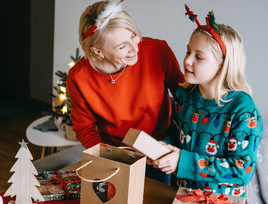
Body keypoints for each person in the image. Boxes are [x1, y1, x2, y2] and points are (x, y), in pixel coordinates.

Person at [151, 5, 263, 197]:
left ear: (222, 66)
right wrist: (162, 148)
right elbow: (176, 135)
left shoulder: (242, 110)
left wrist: (182, 162)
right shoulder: (184, 96)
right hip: (179, 197)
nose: (187, 61)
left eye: (198, 57)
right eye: (188, 52)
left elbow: (241, 170)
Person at [67, 0, 184, 151]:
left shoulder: (157, 50)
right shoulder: (79, 77)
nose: (134, 48)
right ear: (98, 51)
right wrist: (109, 156)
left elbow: (185, 98)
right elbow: (84, 129)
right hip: (116, 151)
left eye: (133, 35)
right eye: (122, 46)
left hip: (162, 144)